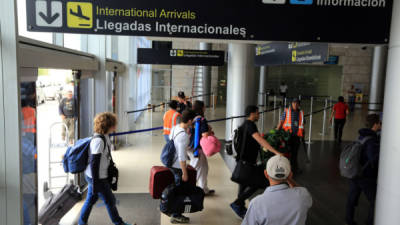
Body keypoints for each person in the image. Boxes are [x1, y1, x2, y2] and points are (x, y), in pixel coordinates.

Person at [79, 113, 133, 225]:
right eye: (114, 124)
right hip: (97, 177)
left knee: (91, 200)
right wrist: (96, 183)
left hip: (96, 176)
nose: (115, 127)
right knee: (110, 201)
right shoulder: (98, 141)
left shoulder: (105, 136)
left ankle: (81, 222)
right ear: (108, 125)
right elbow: (94, 164)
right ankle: (119, 223)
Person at [231, 105, 282, 219]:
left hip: (243, 160)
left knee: (243, 185)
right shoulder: (250, 125)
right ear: (252, 113)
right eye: (258, 113)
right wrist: (275, 152)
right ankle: (237, 203)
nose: (259, 115)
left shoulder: (244, 124)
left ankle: (240, 206)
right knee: (258, 183)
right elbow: (259, 139)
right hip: (247, 162)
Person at [242, 155, 312, 225]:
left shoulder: (256, 204)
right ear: (290, 175)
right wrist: (289, 179)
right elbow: (299, 190)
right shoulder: (303, 195)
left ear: (266, 174)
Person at [345, 114, 381, 225]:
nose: (380, 125)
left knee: (351, 199)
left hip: (355, 172)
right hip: (366, 176)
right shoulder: (372, 140)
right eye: (379, 123)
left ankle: (349, 220)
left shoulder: (361, 136)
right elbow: (373, 158)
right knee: (375, 201)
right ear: (375, 125)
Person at [169, 109, 196, 224]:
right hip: (177, 166)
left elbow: (172, 142)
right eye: (193, 120)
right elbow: (181, 157)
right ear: (189, 120)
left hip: (171, 162)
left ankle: (172, 210)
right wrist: (184, 172)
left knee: (176, 188)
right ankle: (175, 215)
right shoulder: (183, 136)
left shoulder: (175, 128)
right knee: (180, 190)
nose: (193, 122)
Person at [188, 100, 215, 195]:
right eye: (204, 106)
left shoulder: (191, 116)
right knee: (195, 168)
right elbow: (204, 134)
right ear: (202, 108)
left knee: (204, 167)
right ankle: (188, 189)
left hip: (190, 146)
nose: (205, 108)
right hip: (196, 148)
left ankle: (203, 189)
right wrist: (210, 131)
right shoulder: (201, 119)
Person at [277, 98, 305, 174]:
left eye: (297, 103)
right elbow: (281, 121)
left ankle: (294, 168)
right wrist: (277, 131)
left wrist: (303, 136)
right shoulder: (287, 111)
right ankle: (285, 169)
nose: (295, 104)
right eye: (294, 103)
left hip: (297, 137)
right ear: (291, 104)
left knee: (294, 154)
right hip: (287, 136)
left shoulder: (301, 113)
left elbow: (302, 125)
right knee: (286, 153)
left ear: (299, 105)